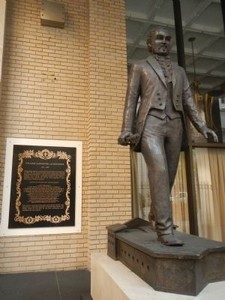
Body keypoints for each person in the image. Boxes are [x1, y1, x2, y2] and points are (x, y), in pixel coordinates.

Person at [118, 28, 218, 246]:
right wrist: (126, 129)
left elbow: (189, 101)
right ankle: (164, 230)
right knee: (160, 171)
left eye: (167, 39)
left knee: (169, 176)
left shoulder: (180, 71)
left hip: (175, 126)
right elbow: (131, 100)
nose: (164, 42)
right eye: (159, 38)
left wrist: (202, 126)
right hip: (150, 124)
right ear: (149, 43)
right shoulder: (140, 67)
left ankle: (155, 213)